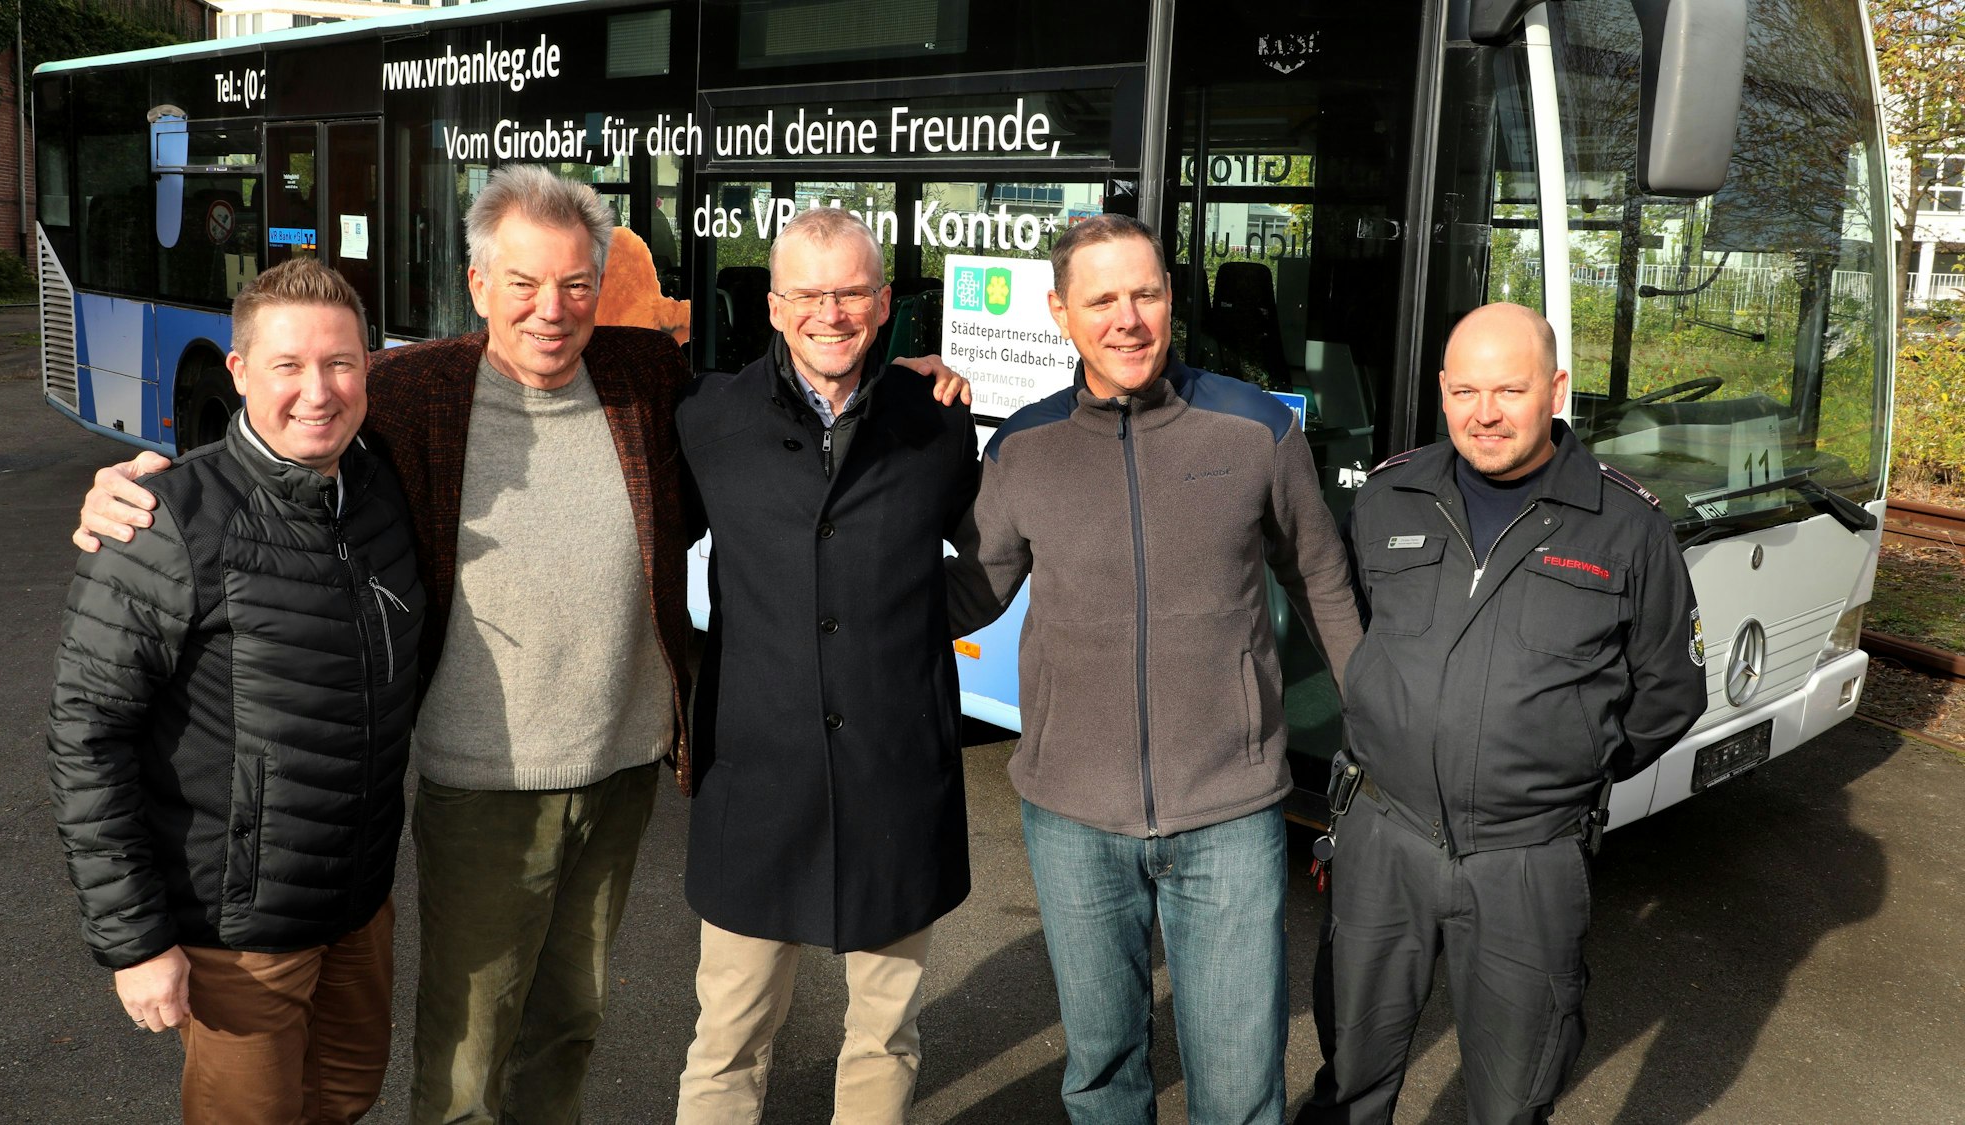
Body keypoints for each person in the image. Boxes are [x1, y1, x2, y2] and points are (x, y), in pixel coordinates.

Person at [74, 170, 970, 1124]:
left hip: (622, 772)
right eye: (524, 284)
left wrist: (900, 375)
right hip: (483, 788)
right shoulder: (415, 394)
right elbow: (300, 426)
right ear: (477, 285)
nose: (552, 310)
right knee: (466, 1056)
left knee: (570, 1025)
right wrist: (155, 484)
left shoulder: (645, 378)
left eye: (577, 284)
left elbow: (792, 426)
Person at [946, 213, 1366, 1123]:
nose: (1127, 317)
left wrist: (1374, 724)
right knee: (1102, 1072)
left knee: (1239, 1080)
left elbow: (1323, 576)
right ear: (1061, 312)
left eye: (1146, 293)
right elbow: (969, 594)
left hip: (1229, 809)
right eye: (1102, 299)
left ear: (1172, 300)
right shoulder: (1021, 447)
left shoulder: (1252, 427)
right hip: (1071, 814)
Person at [1294, 303, 1708, 1124]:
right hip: (1385, 835)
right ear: (1442, 393)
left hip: (1527, 861)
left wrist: (1563, 764)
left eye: (1510, 390)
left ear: (1555, 389)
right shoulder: (1388, 498)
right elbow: (1354, 626)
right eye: (1465, 391)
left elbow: (1670, 691)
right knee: (1350, 1078)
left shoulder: (1626, 525)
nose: (1484, 414)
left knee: (1512, 1098)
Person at [48, 258, 423, 1125]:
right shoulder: (163, 520)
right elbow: (86, 736)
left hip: (358, 905)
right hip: (237, 931)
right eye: (288, 365)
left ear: (371, 368)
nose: (318, 390)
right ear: (240, 371)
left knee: (344, 1098)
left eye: (341, 362)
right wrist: (135, 942)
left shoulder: (378, 484)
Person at [672, 206, 980, 1123]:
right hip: (756, 783)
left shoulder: (937, 422)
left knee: (884, 1039)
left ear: (885, 304)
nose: (830, 312)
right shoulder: (709, 420)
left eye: (851, 291)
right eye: (808, 293)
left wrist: (926, 628)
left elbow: (1004, 546)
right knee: (727, 1043)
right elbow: (644, 550)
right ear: (772, 306)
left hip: (896, 776)